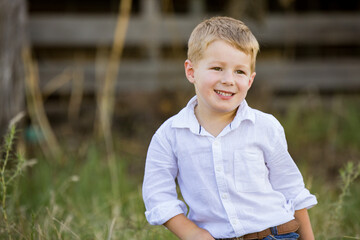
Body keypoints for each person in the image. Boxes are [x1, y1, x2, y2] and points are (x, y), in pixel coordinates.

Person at [142, 16, 317, 240]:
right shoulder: (169, 135)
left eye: (239, 72)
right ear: (191, 71)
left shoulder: (265, 127)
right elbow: (158, 196)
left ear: (250, 80)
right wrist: (193, 233)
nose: (228, 80)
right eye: (217, 68)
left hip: (275, 234)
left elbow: (291, 190)